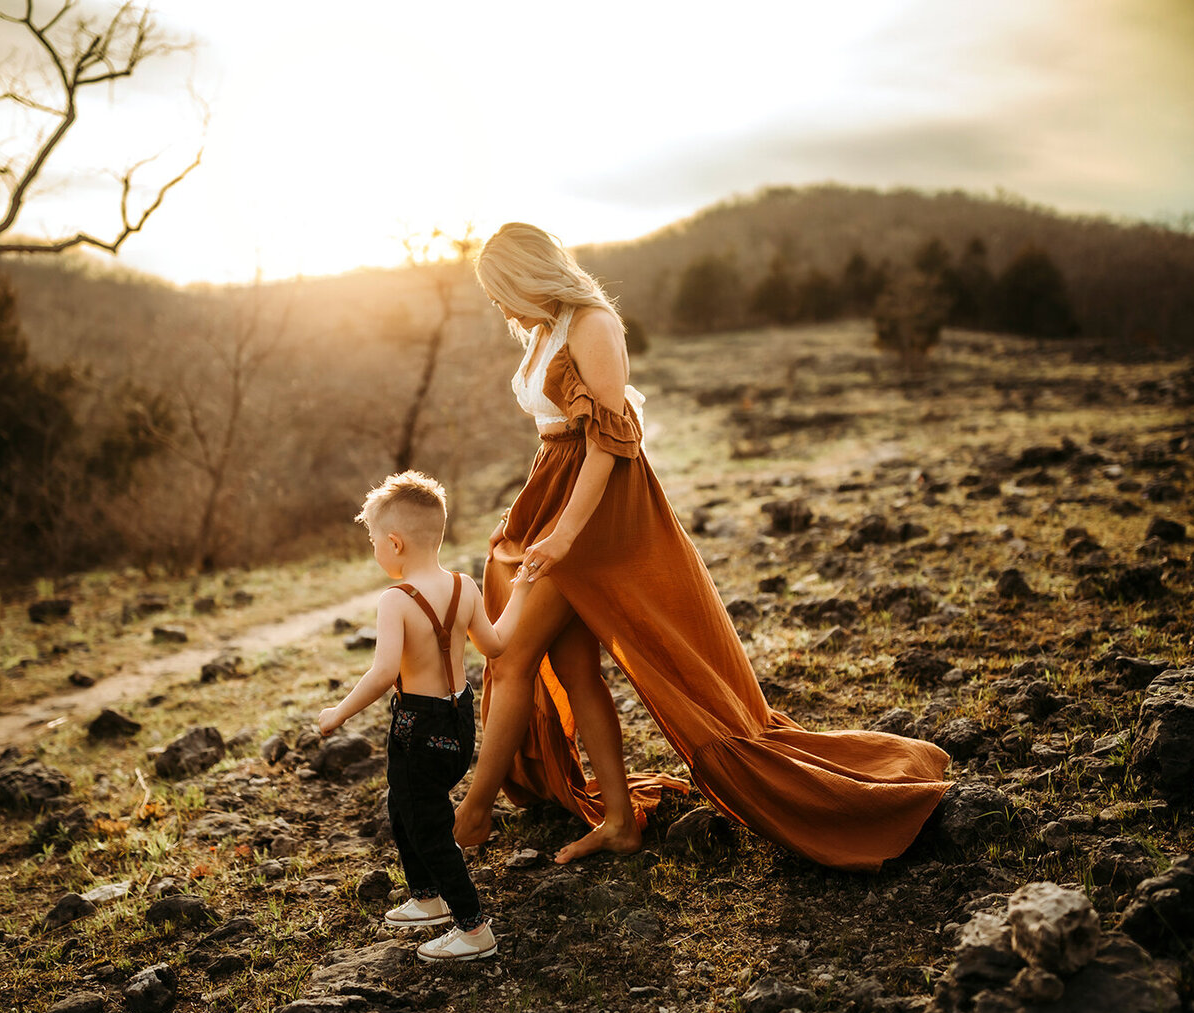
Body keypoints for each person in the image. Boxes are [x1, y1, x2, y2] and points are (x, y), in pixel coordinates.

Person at [452, 222, 952, 870]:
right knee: (574, 669)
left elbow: (608, 440)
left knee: (513, 657)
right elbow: (559, 433)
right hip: (558, 489)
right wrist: (539, 503)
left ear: (526, 275)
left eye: (500, 294)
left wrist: (566, 529)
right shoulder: (547, 327)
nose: (500, 309)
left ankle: (470, 816)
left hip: (598, 512)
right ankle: (620, 822)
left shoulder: (592, 323)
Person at [318, 470, 532, 961]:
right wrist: (520, 591)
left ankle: (473, 928)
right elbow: (495, 644)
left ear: (393, 543)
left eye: (373, 540)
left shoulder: (395, 601)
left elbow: (381, 673)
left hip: (417, 727)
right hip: (457, 722)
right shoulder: (464, 586)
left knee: (429, 827)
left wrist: (339, 713)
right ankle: (426, 898)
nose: (374, 548)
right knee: (405, 805)